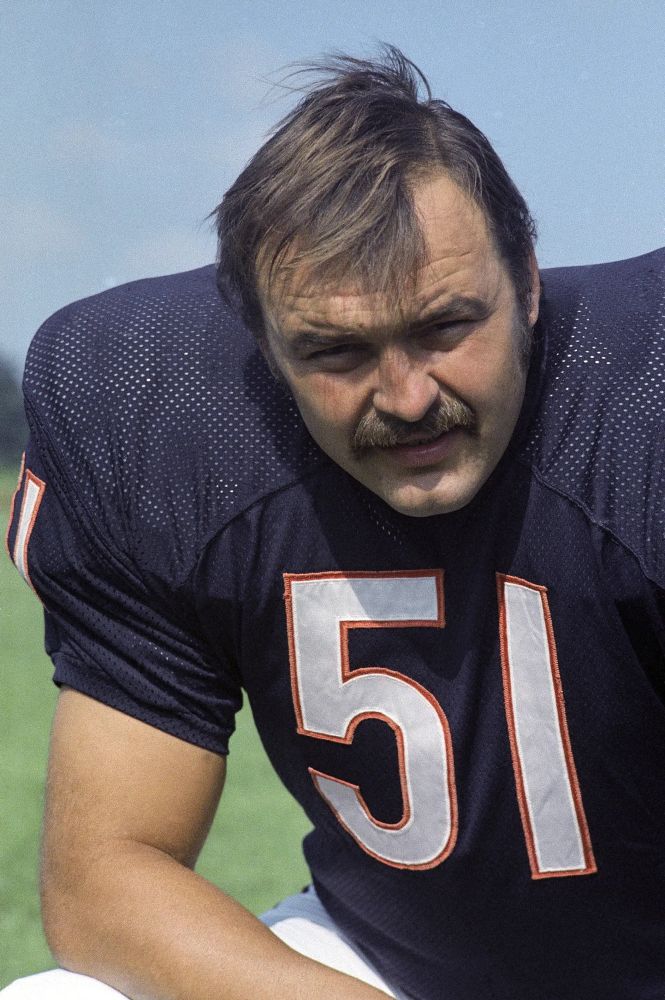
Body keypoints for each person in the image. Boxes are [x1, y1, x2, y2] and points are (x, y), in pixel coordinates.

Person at [3, 46, 665, 1000]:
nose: (404, 398)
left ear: (525, 282)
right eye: (335, 350)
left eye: (444, 328)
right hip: (389, 964)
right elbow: (108, 876)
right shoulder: (159, 422)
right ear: (261, 338)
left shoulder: (639, 408)